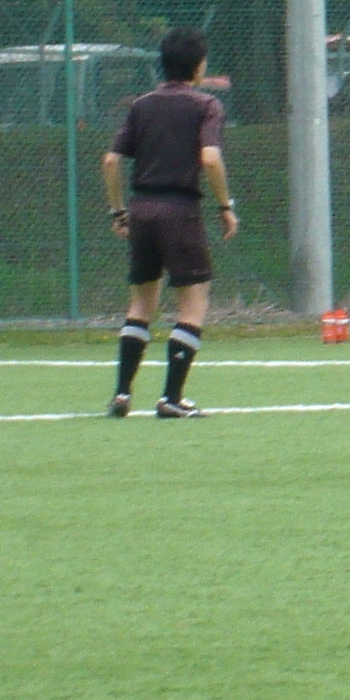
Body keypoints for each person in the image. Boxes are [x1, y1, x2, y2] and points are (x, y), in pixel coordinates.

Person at [100, 28, 238, 416]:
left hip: (142, 210)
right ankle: (171, 399)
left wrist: (117, 211)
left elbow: (111, 161)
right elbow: (210, 159)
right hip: (179, 211)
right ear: (198, 66)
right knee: (192, 305)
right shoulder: (206, 105)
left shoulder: (141, 105)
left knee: (141, 303)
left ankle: (123, 393)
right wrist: (225, 205)